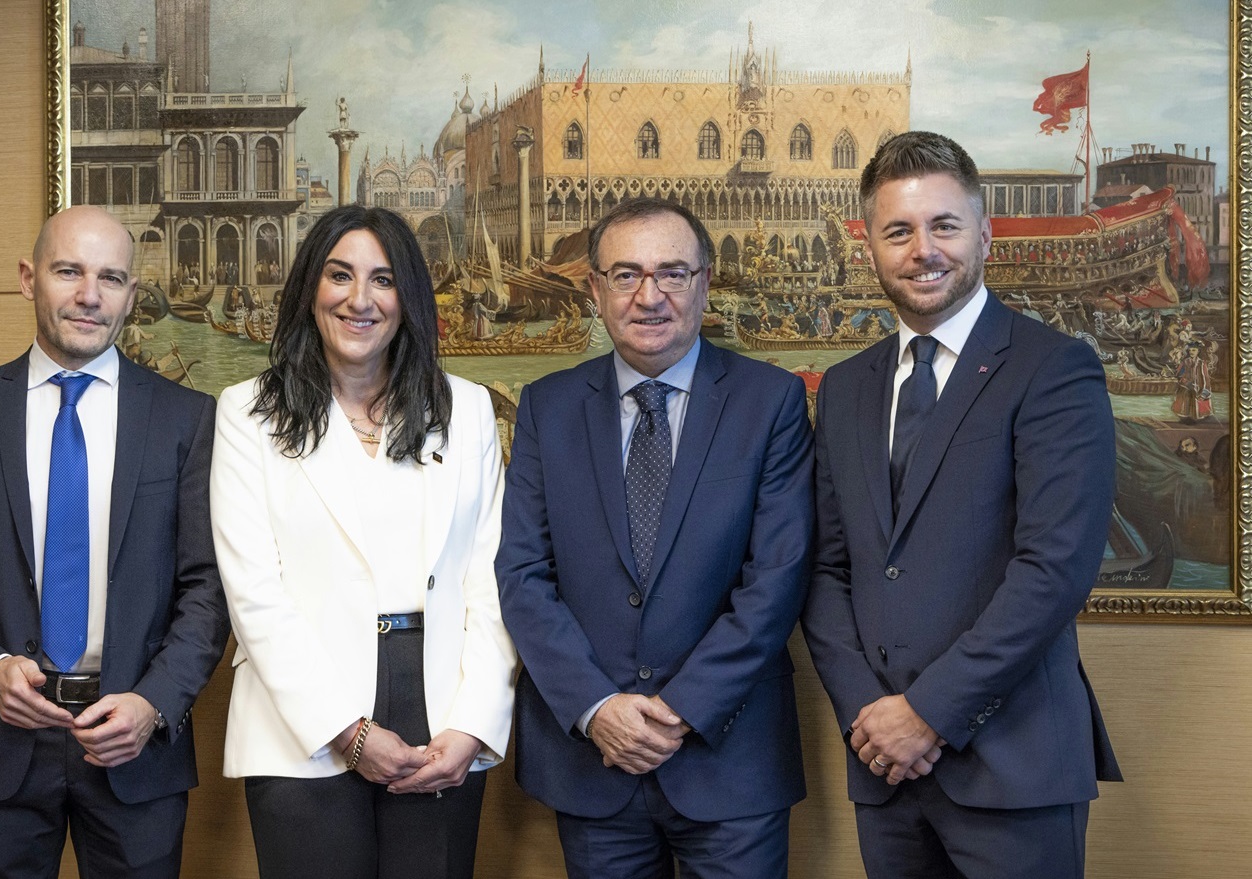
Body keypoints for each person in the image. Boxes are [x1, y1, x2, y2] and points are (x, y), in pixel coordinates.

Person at [802, 131, 1122, 879]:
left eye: (943, 225)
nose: (924, 250)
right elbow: (826, 569)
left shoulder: (1054, 369)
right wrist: (870, 718)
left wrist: (928, 715)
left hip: (1013, 767)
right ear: (870, 249)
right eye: (898, 231)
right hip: (883, 768)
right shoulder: (844, 388)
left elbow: (1054, 571)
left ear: (984, 233)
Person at [0, 205, 230, 878]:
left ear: (131, 294)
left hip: (135, 745)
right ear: (28, 279)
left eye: (111, 278)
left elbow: (209, 587)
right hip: (1, 742)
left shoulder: (187, 418)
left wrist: (154, 703)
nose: (89, 295)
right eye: (69, 271)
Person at [496, 197, 813, 877]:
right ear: (595, 289)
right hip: (593, 762)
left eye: (672, 273)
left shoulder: (772, 402)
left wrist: (682, 709)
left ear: (705, 282)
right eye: (626, 275)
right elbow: (522, 574)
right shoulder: (547, 407)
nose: (649, 296)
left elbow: (778, 576)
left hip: (731, 758)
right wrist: (596, 707)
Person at [209, 204, 515, 879]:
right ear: (309, 289)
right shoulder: (247, 413)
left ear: (409, 298)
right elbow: (253, 593)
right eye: (339, 275)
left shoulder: (465, 409)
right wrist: (347, 731)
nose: (360, 299)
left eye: (383, 279)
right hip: (300, 719)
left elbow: (492, 580)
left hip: (442, 711)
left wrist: (473, 724)